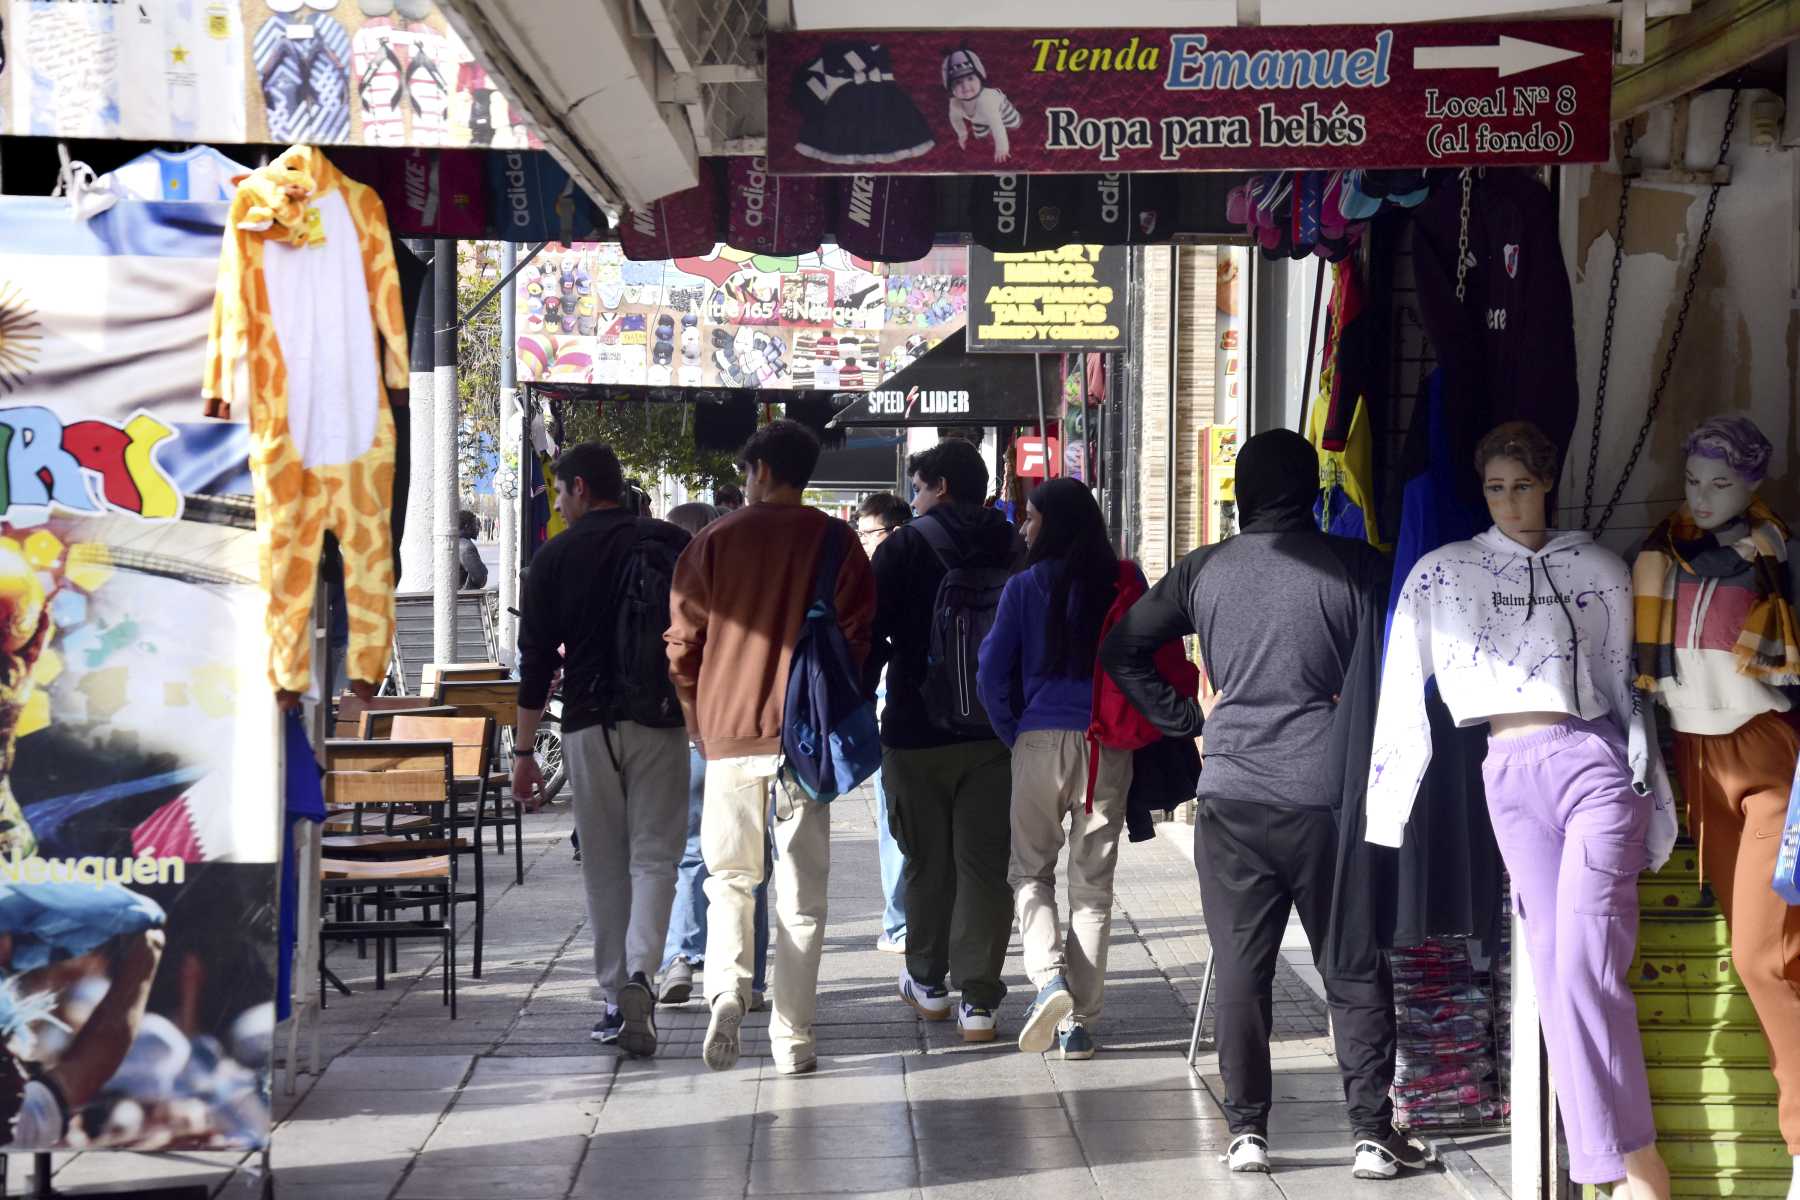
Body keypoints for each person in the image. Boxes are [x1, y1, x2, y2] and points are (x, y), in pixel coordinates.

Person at [1101, 429, 1426, 1180]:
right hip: (1329, 798)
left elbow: (1122, 649)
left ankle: (1248, 1131)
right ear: (1314, 491)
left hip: (1232, 799)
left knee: (1244, 970)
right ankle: (1372, 1133)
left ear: (1240, 496)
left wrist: (1193, 723)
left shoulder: (1202, 571)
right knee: (1351, 965)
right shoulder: (1357, 568)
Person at [1368, 422, 1675, 1199]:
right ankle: (1626, 1169)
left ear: (1548, 485)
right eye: (1496, 488)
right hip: (1505, 772)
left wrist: (1654, 792)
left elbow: (1624, 686)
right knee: (1553, 970)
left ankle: (1624, 1171)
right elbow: (1401, 680)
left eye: (1524, 485)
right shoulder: (1445, 573)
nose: (1510, 502)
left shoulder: (1597, 569)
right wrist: (1387, 802)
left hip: (1592, 764)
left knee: (1582, 967)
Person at [667, 420, 875, 1076]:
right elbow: (861, 635)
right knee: (801, 897)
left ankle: (728, 988)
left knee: (729, 878)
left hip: (728, 736)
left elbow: (681, 643)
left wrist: (696, 716)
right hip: (804, 742)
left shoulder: (713, 540)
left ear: (758, 469)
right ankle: (794, 1038)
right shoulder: (837, 540)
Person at [513, 443, 691, 1060]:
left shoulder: (555, 557)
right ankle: (643, 972)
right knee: (656, 859)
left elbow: (535, 663)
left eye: (560, 493)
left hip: (587, 724)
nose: (558, 505)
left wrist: (522, 749)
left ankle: (618, 999)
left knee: (604, 867)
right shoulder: (668, 542)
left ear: (582, 488)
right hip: (661, 720)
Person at [866, 439, 1020, 1043]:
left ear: (942, 488)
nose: (915, 498)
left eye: (920, 487)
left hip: (915, 730)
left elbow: (871, 635)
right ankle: (979, 1000)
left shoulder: (904, 546)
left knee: (924, 860)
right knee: (984, 866)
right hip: (996, 734)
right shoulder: (1014, 543)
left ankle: (927, 983)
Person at [976, 478, 1133, 1062]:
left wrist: (1015, 732)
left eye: (1032, 517)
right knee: (1093, 890)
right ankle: (1081, 1024)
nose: (1024, 527)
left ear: (1054, 524)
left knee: (1029, 873)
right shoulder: (1124, 581)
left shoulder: (1023, 587)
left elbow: (992, 673)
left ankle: (1049, 982)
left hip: (1039, 739)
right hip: (1107, 745)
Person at [658, 502, 773, 1014]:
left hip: (691, 733)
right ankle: (750, 975)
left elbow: (678, 655)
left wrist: (687, 720)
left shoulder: (674, 586)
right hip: (743, 731)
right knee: (752, 859)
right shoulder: (739, 581)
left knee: (689, 850)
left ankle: (681, 955)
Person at [855, 493, 912, 955]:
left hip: (895, 715)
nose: (864, 542)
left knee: (894, 827)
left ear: (892, 531)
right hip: (932, 719)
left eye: (869, 533)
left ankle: (900, 925)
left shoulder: (881, 579)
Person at [456, 510, 488, 590]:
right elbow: (480, 579)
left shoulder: (455, 542)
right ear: (467, 526)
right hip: (465, 598)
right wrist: (484, 569)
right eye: (476, 525)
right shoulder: (466, 547)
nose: (478, 529)